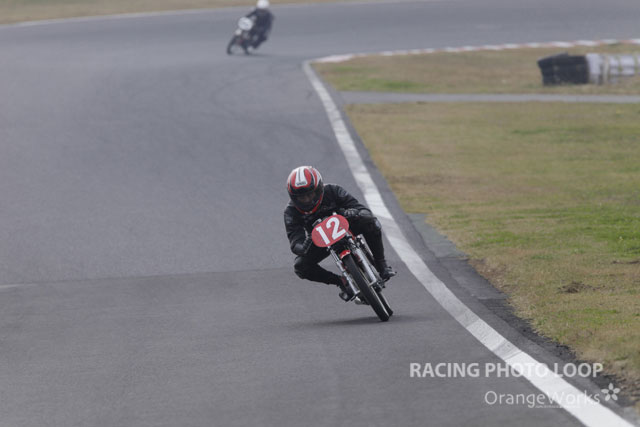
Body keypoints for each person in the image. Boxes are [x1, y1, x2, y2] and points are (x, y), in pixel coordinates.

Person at [284, 166, 396, 301]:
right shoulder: (290, 212)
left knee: (371, 222)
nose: (307, 200)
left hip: (346, 225)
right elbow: (295, 242)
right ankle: (341, 282)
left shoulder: (333, 190)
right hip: (321, 240)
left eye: (310, 194)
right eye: (302, 197)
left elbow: (363, 210)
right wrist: (303, 247)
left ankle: (382, 265)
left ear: (318, 189)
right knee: (300, 266)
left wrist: (354, 212)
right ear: (294, 197)